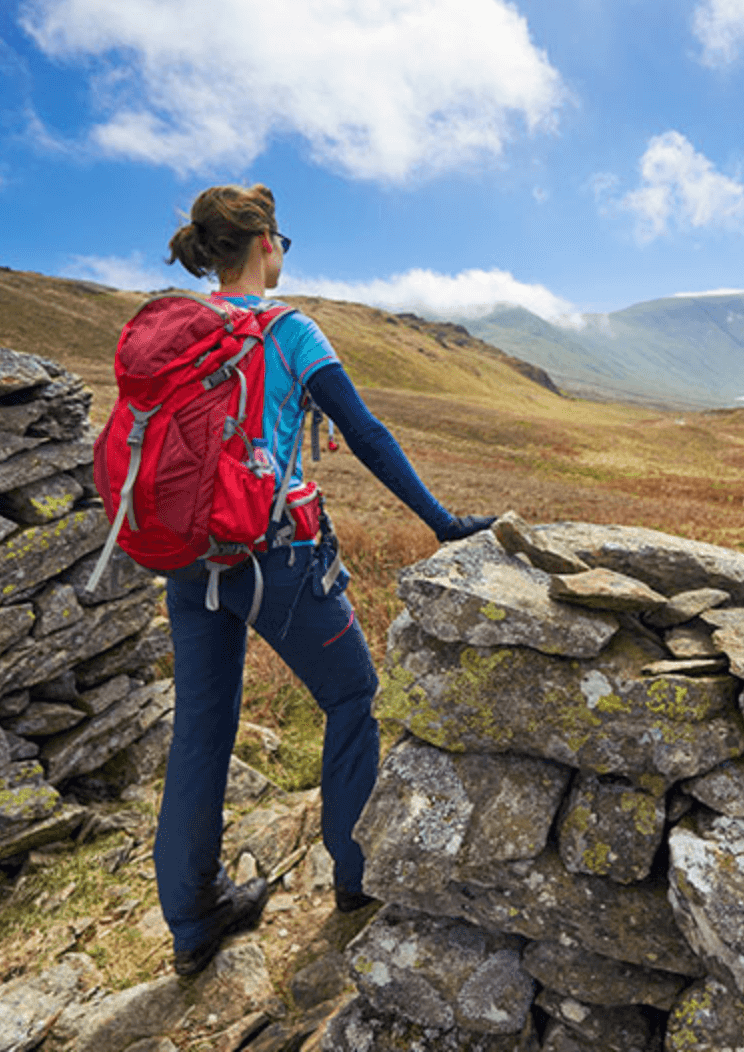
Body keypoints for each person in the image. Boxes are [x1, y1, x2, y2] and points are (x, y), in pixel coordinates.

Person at [153, 183, 493, 977]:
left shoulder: (179, 328)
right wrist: (444, 522)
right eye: (284, 242)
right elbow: (368, 433)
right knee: (352, 696)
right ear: (267, 244)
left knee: (201, 728)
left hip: (189, 558)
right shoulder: (291, 330)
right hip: (275, 555)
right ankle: (356, 876)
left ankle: (193, 919)